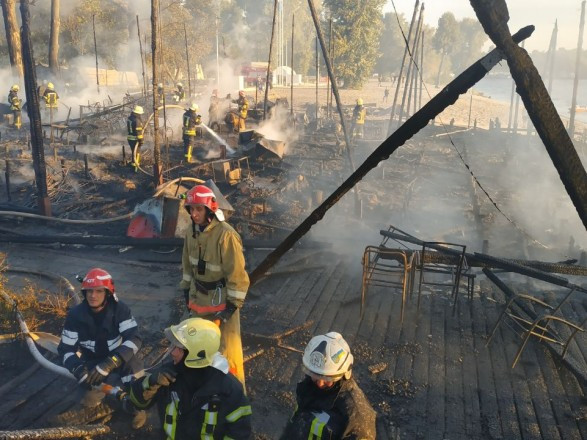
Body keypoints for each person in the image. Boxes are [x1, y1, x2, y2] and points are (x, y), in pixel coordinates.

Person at [129, 317, 252, 439]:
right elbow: (137, 402)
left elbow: (239, 434)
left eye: (179, 349)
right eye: (173, 346)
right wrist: (151, 382)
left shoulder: (228, 390)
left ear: (196, 354)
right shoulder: (167, 374)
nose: (173, 352)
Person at [57, 268, 146, 429]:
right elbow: (65, 349)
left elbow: (135, 339)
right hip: (92, 361)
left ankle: (137, 407)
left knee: (135, 371)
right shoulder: (75, 316)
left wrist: (110, 363)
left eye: (99, 291)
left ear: (108, 293)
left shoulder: (120, 310)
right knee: (87, 400)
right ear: (84, 293)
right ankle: (102, 399)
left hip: (120, 358)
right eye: (89, 291)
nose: (93, 295)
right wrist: (78, 369)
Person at [179, 184, 249, 387]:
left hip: (222, 303)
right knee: (197, 350)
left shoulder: (226, 235)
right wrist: (186, 292)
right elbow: (187, 266)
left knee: (228, 354)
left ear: (210, 210)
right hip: (199, 301)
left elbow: (237, 275)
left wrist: (231, 307)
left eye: (199, 209)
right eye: (191, 209)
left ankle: (235, 398)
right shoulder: (191, 232)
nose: (194, 214)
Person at [280, 332, 376, 440]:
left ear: (344, 374)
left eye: (327, 379)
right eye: (315, 375)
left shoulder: (356, 416)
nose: (320, 383)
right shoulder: (308, 387)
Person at [127, 105, 144, 172]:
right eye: (140, 114)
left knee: (134, 152)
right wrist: (141, 140)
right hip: (135, 139)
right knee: (137, 153)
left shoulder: (130, 118)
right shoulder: (137, 120)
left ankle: (134, 165)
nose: (140, 115)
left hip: (130, 138)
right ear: (137, 113)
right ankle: (136, 168)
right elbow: (138, 132)